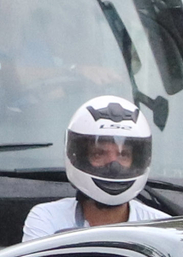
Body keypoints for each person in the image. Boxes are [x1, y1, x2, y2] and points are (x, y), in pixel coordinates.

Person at [21, 95, 169, 240]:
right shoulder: (48, 219)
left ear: (137, 160)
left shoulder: (162, 228)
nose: (114, 166)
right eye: (99, 154)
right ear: (79, 156)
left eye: (123, 155)